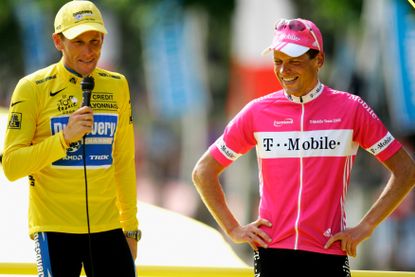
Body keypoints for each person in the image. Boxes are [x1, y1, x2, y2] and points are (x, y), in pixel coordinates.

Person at [192, 18, 415, 276]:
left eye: (294, 60)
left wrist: (366, 226)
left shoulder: (351, 109)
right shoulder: (257, 111)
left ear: (318, 60)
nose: (284, 70)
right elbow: (203, 172)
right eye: (278, 61)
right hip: (271, 253)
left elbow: (406, 170)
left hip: (328, 253)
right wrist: (233, 229)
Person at [2, 1, 140, 276]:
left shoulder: (117, 85)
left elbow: (124, 161)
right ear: (58, 41)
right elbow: (11, 165)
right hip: (54, 230)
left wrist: (131, 227)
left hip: (108, 228)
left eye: (95, 42)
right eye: (78, 42)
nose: (89, 52)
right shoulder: (32, 88)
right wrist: (64, 138)